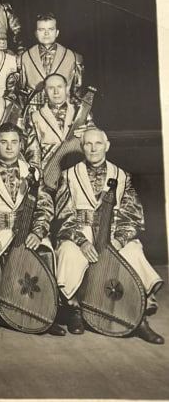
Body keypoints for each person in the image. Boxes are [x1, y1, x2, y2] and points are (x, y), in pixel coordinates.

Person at [53, 127, 164, 344]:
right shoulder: (69, 175)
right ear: (82, 147)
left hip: (113, 232)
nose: (93, 149)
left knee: (133, 252)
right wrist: (82, 242)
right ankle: (74, 309)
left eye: (98, 144)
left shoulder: (122, 175)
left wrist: (118, 240)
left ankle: (139, 316)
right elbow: (63, 215)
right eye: (88, 144)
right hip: (80, 231)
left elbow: (132, 214)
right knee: (68, 253)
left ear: (107, 146)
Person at [0, 122, 64, 335]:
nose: (9, 147)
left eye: (14, 142)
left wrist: (37, 232)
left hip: (28, 230)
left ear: (21, 144)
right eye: (4, 142)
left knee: (48, 252)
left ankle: (48, 310)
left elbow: (45, 206)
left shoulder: (33, 172)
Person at [15, 13, 84, 114]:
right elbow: (20, 93)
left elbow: (77, 94)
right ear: (36, 33)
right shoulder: (23, 58)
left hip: (64, 113)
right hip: (34, 114)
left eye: (50, 29)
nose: (46, 33)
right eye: (41, 29)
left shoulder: (73, 58)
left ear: (57, 32)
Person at [24, 73, 91, 174]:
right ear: (44, 91)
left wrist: (87, 134)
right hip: (49, 172)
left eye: (59, 87)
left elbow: (95, 139)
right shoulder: (35, 117)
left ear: (66, 88)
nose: (56, 92)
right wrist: (37, 174)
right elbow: (33, 150)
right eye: (51, 88)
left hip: (77, 169)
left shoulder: (81, 112)